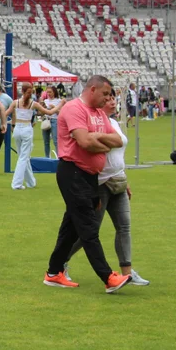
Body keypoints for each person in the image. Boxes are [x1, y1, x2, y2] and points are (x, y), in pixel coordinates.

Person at [42, 75, 131, 294]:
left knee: (71, 227)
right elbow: (84, 142)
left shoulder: (100, 113)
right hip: (73, 172)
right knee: (89, 227)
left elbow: (118, 141)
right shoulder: (74, 109)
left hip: (91, 176)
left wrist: (97, 137)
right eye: (105, 94)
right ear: (92, 89)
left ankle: (53, 273)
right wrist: (101, 142)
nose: (107, 99)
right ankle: (108, 277)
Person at [65, 93, 149, 286]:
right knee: (90, 230)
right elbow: (93, 148)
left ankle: (127, 272)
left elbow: (118, 151)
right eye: (108, 98)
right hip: (100, 183)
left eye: (113, 98)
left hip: (118, 180)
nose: (112, 101)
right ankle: (61, 261)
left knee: (124, 227)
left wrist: (125, 181)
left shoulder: (115, 123)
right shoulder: (93, 124)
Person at [6, 82, 62, 190]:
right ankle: (16, 183)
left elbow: (5, 113)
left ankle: (31, 182)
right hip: (26, 129)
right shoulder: (33, 104)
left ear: (21, 91)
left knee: (23, 157)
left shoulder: (15, 102)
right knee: (23, 157)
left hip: (17, 129)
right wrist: (60, 105)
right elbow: (49, 113)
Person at [40, 86, 64, 157]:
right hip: (46, 120)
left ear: (54, 92)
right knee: (46, 141)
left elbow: (61, 113)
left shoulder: (59, 101)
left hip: (55, 120)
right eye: (47, 92)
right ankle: (47, 157)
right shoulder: (45, 101)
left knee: (56, 140)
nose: (49, 94)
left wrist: (54, 108)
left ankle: (58, 157)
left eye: (50, 92)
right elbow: (41, 113)